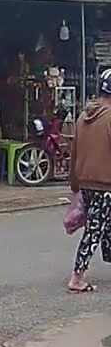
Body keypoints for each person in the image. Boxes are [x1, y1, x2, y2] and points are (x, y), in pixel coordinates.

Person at [67, 68, 111, 293]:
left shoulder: (84, 116)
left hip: (86, 182)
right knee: (95, 229)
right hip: (106, 183)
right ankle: (77, 276)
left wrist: (75, 184)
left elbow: (74, 151)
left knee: (104, 225)